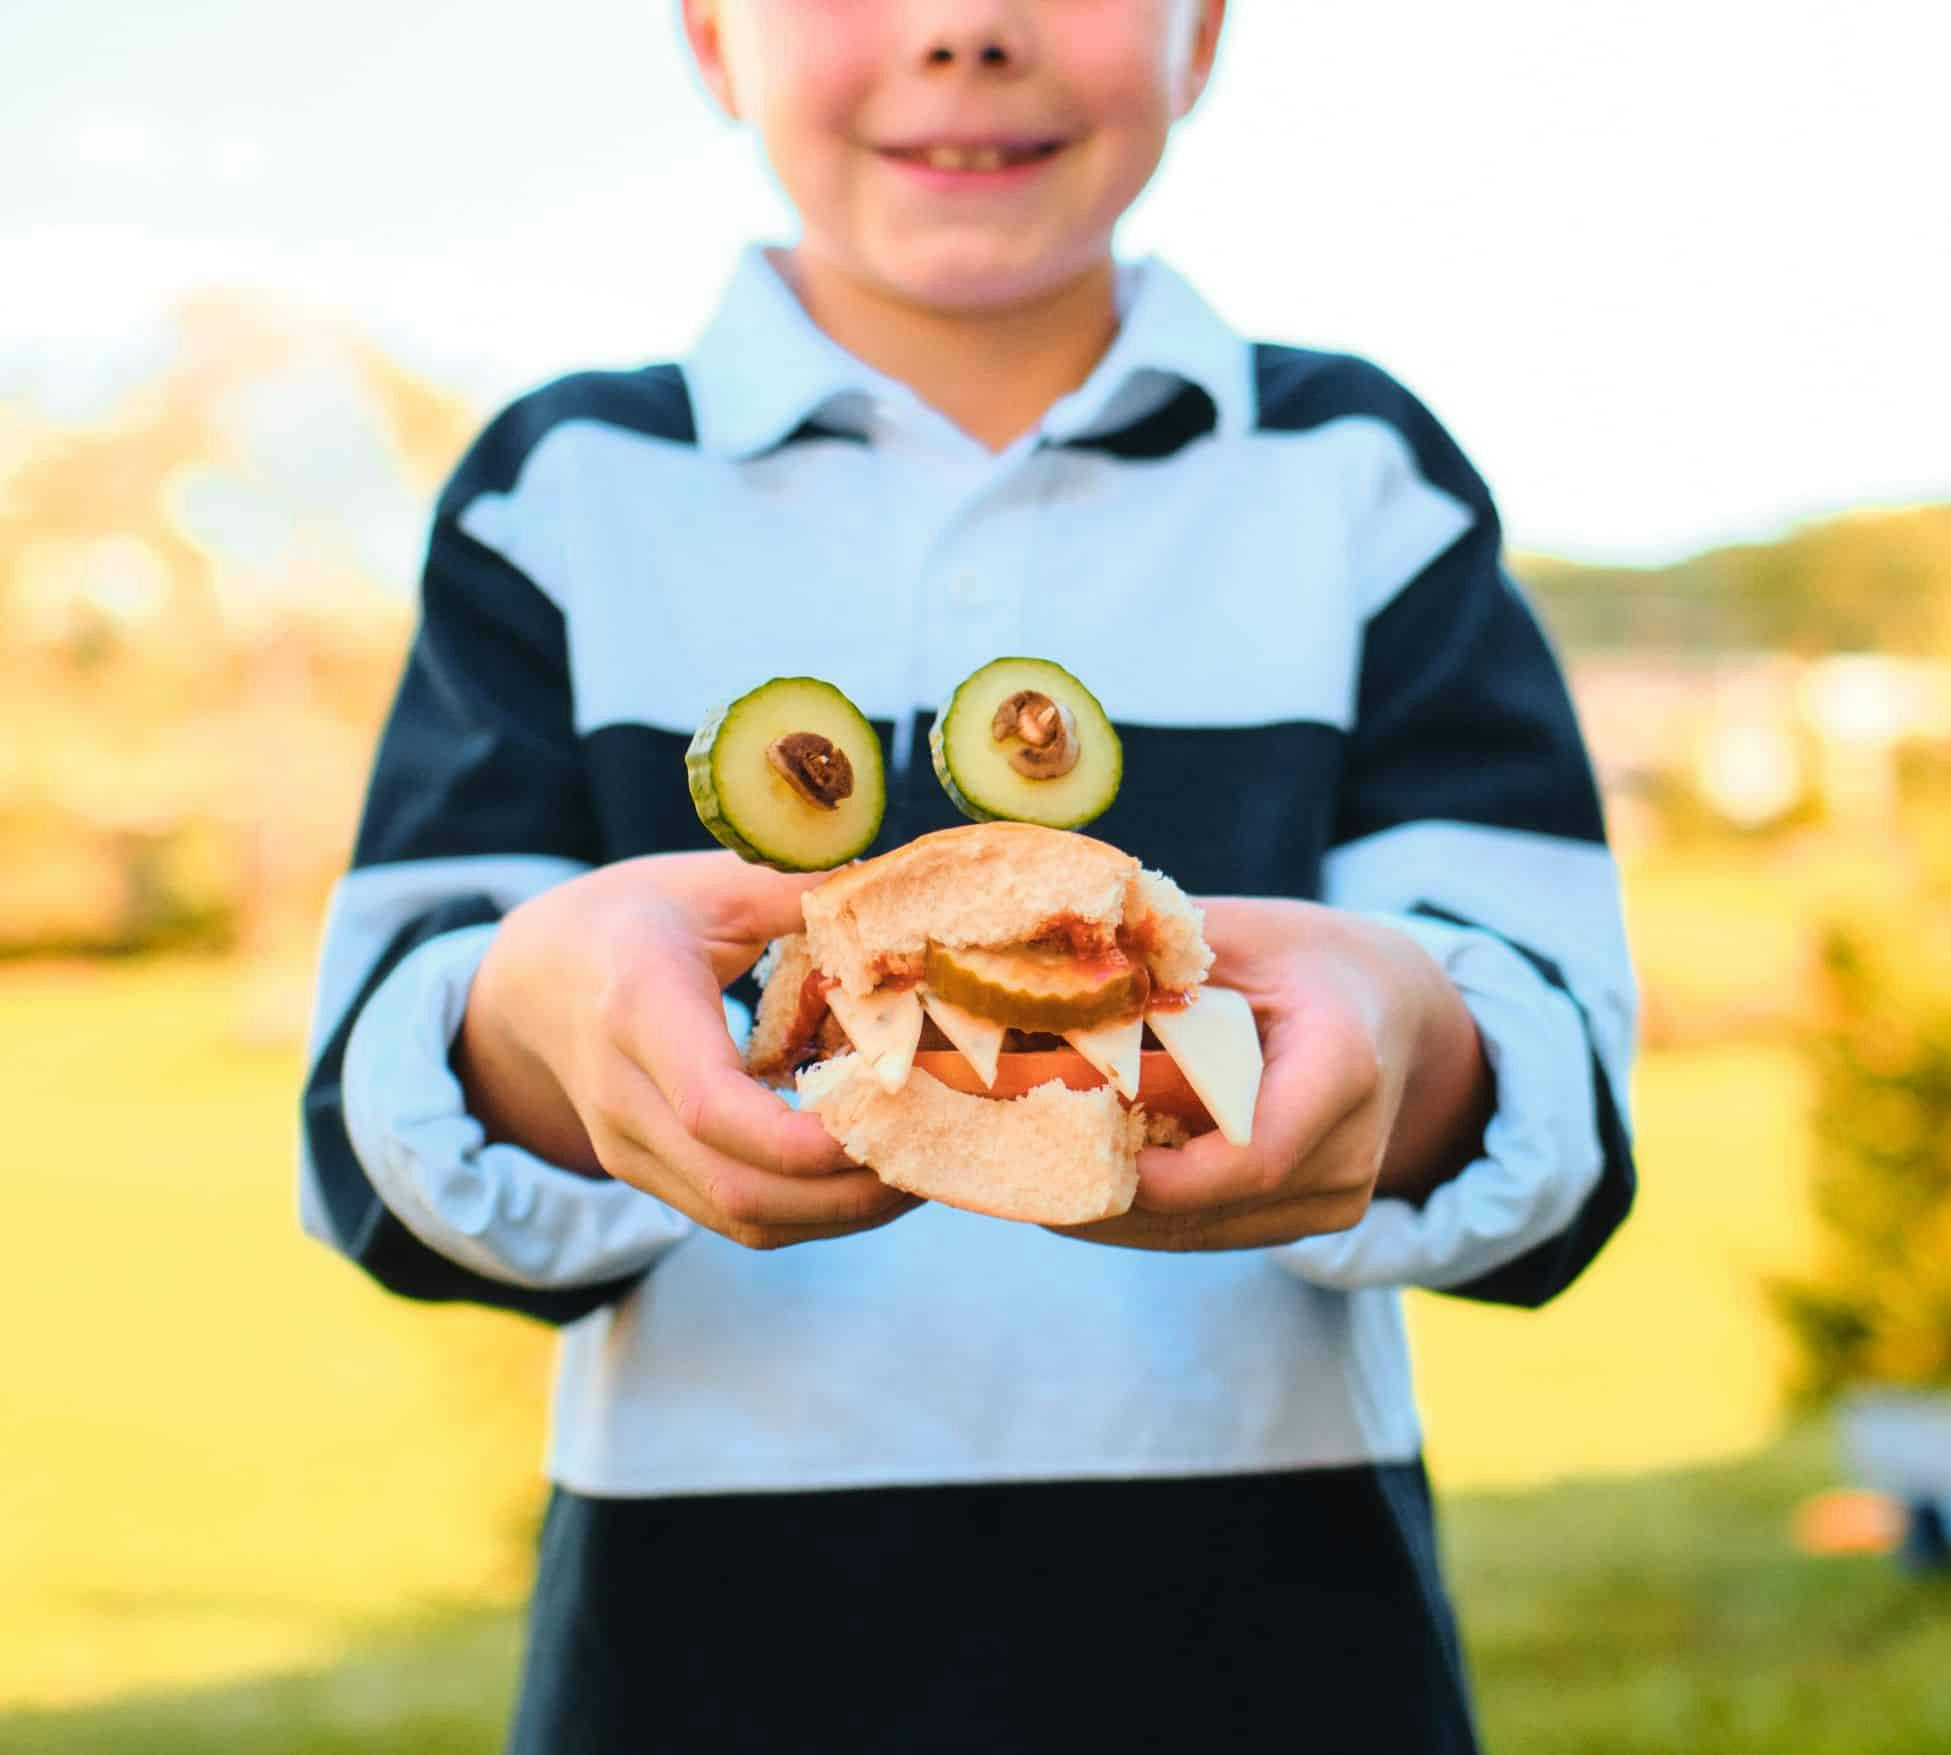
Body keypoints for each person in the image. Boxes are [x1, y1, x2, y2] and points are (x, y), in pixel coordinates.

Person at [298, 3, 1639, 1749]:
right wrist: (539, 1027)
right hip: (701, 1650)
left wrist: (1416, 1045)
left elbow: (1559, 1085)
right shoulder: (564, 486)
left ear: (1206, 29)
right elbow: (378, 1108)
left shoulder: (1358, 473)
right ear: (710, 36)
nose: (964, 28)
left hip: (1286, 1640)